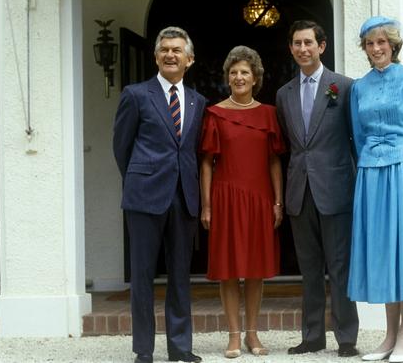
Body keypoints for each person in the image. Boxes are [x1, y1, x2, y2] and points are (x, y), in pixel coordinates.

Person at [347, 16, 403, 363]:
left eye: (382, 42)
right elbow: (357, 135)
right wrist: (369, 163)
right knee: (384, 252)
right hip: (371, 173)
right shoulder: (360, 87)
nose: (376, 49)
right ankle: (387, 337)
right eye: (370, 44)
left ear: (393, 45)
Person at [113, 26, 205, 363]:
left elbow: (192, 150)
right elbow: (121, 147)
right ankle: (144, 350)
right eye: (164, 49)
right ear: (155, 57)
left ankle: (180, 347)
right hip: (144, 198)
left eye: (177, 50)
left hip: (183, 199)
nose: (170, 55)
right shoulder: (136, 94)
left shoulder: (198, 101)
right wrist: (142, 178)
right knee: (142, 277)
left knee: (180, 275)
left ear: (189, 59)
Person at [276, 20, 359, 357]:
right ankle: (312, 336)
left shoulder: (345, 87)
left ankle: (346, 338)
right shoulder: (284, 94)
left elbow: (355, 139)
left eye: (308, 42)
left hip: (336, 189)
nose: (302, 49)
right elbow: (290, 143)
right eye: (296, 43)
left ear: (322, 46)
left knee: (339, 267)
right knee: (309, 269)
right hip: (300, 191)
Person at [199, 46, 285, 359]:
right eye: (233, 72)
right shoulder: (215, 113)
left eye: (244, 72)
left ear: (255, 77)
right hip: (225, 198)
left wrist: (278, 201)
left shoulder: (269, 114)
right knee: (228, 270)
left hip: (260, 198)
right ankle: (233, 336)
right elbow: (207, 162)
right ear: (227, 77)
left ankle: (253, 334)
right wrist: (206, 205)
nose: (239, 77)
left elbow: (275, 161)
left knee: (255, 270)